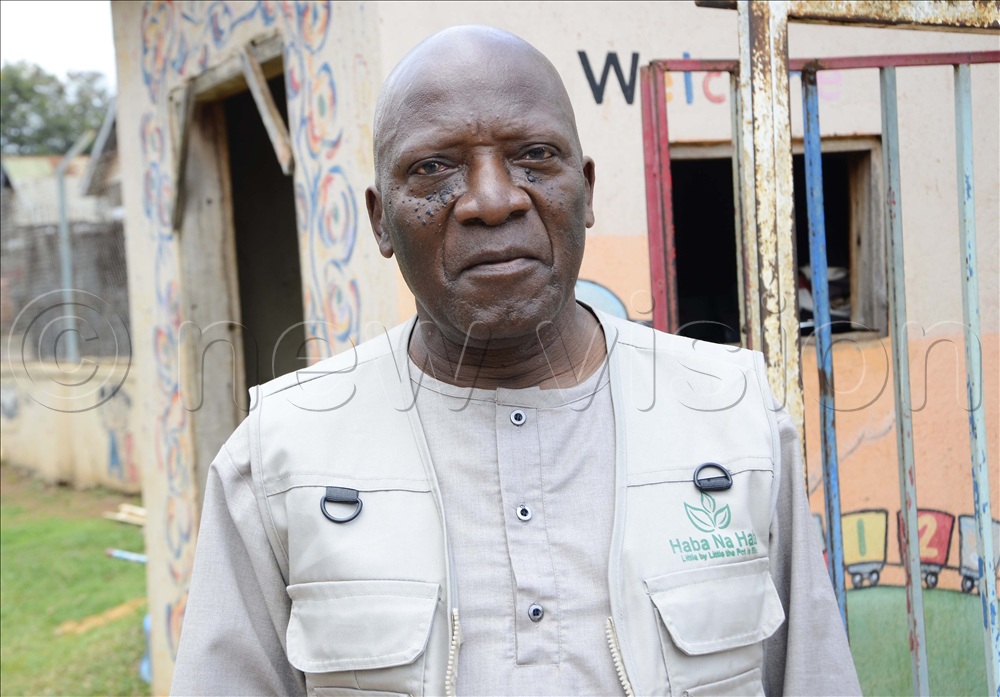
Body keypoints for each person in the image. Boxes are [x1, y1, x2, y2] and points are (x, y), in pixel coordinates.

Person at [171, 25, 861, 697]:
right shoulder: (278, 456)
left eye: (533, 155)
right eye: (433, 167)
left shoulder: (733, 419)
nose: (493, 199)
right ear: (381, 219)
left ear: (585, 190)